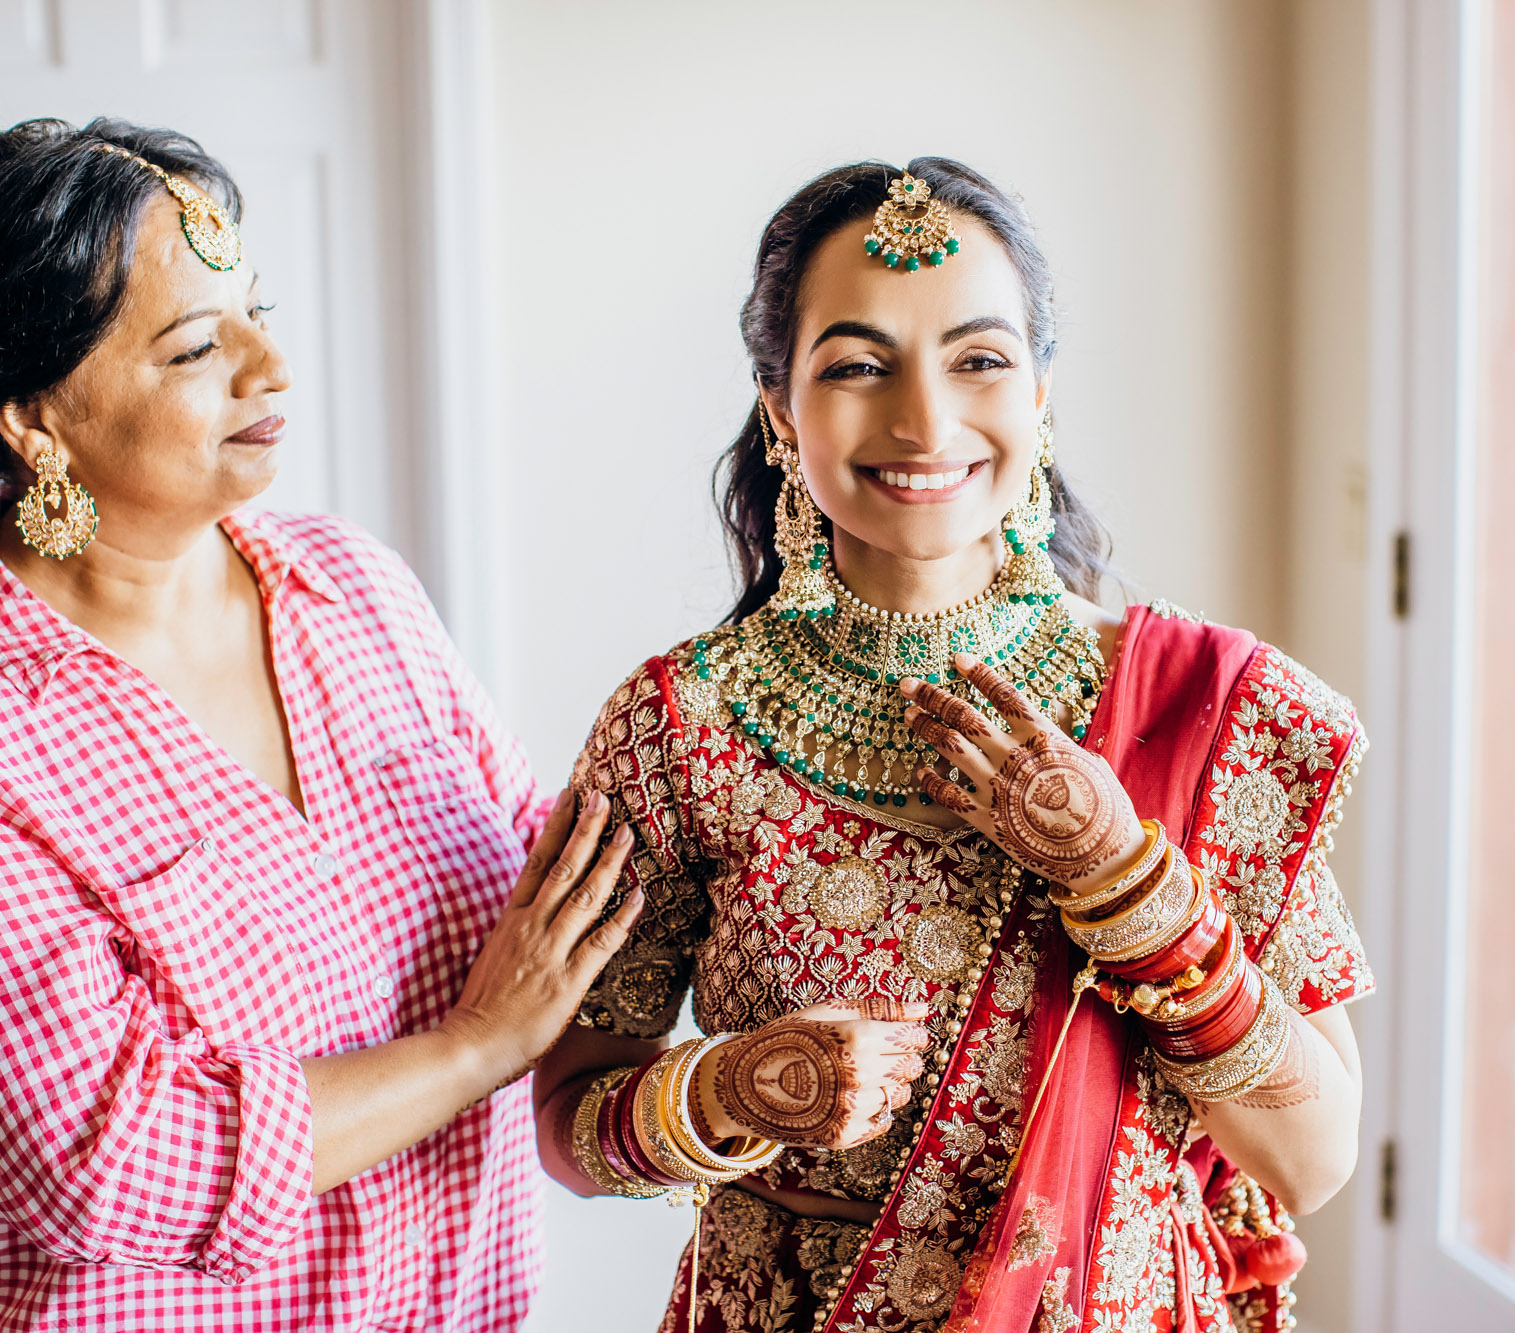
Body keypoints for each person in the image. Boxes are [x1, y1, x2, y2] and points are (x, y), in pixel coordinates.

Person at [533, 159, 1375, 1333]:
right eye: (857, 366)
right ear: (781, 408)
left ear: (1039, 394)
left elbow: (1314, 1157)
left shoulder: (1197, 708)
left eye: (977, 359)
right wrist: (733, 1087)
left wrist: (1128, 887)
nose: (923, 420)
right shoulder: (679, 728)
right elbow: (569, 1123)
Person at [0, 118, 638, 1332]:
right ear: (36, 419)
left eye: (256, 310)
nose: (271, 367)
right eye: (194, 348)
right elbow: (105, 1165)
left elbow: (549, 891)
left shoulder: (356, 588)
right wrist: (474, 1045)